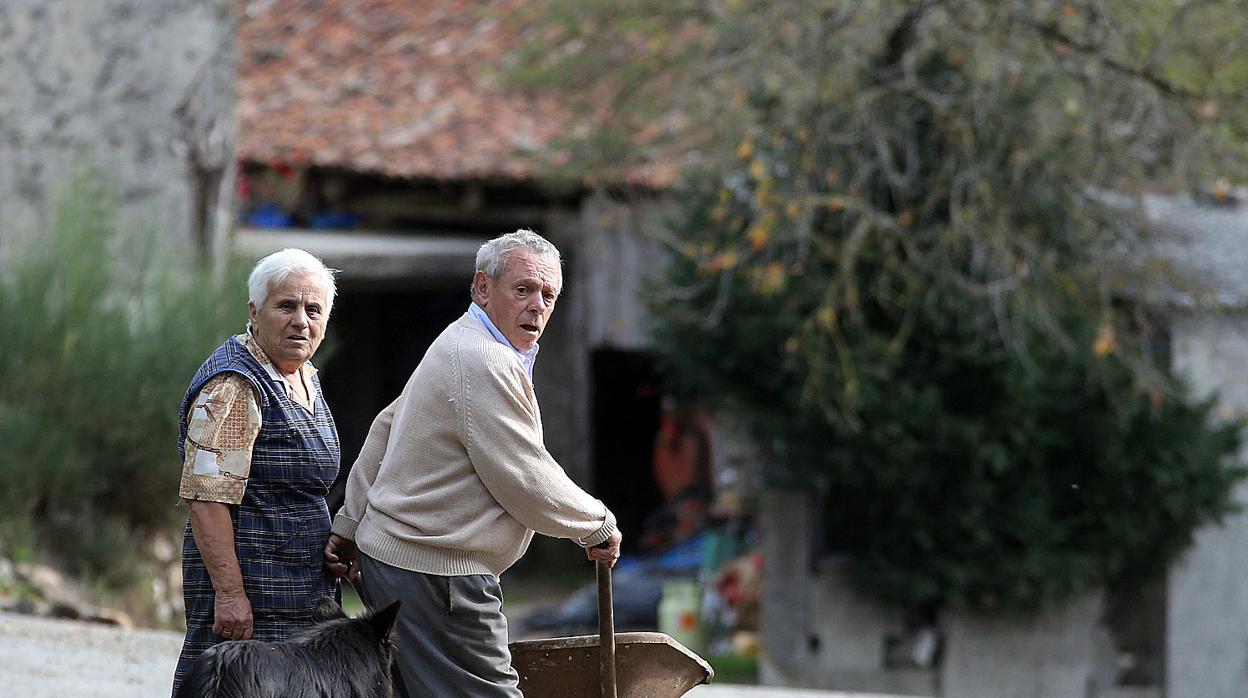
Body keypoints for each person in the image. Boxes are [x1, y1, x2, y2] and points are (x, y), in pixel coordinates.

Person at [324, 229, 622, 697]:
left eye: (548, 295)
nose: (537, 306)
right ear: (482, 288)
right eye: (522, 290)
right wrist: (596, 524)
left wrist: (349, 521)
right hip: (437, 575)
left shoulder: (461, 341)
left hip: (407, 562)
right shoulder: (482, 359)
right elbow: (524, 477)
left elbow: (386, 424)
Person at [172, 248, 341, 694]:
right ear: (255, 311)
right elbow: (206, 497)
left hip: (301, 588)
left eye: (313, 309)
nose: (300, 320)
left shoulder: (304, 375)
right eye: (285, 305)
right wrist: (229, 595)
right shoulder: (235, 384)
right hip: (252, 595)